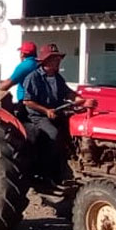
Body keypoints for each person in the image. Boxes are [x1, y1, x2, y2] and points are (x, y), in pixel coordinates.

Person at [20, 44, 96, 182]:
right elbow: (28, 101)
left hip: (57, 112)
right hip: (38, 116)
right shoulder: (33, 77)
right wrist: (46, 110)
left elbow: (68, 93)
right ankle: (46, 173)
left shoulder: (57, 78)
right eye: (55, 59)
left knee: (73, 130)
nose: (58, 61)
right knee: (53, 135)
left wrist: (83, 101)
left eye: (58, 58)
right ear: (46, 61)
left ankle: (76, 164)